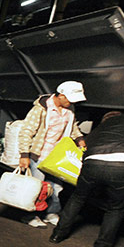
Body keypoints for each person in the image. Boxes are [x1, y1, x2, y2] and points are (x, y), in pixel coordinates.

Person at [50, 111, 124, 247]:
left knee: (78, 198)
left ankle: (57, 234)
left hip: (92, 163)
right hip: (123, 165)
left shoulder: (97, 131)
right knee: (115, 209)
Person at [18, 81, 87, 228]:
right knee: (37, 187)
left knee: (56, 187)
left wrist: (80, 139)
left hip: (57, 156)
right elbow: (26, 131)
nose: (71, 103)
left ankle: (51, 213)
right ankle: (30, 215)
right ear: (61, 95)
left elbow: (73, 127)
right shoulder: (41, 109)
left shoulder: (70, 109)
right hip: (39, 154)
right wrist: (24, 154)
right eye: (70, 99)